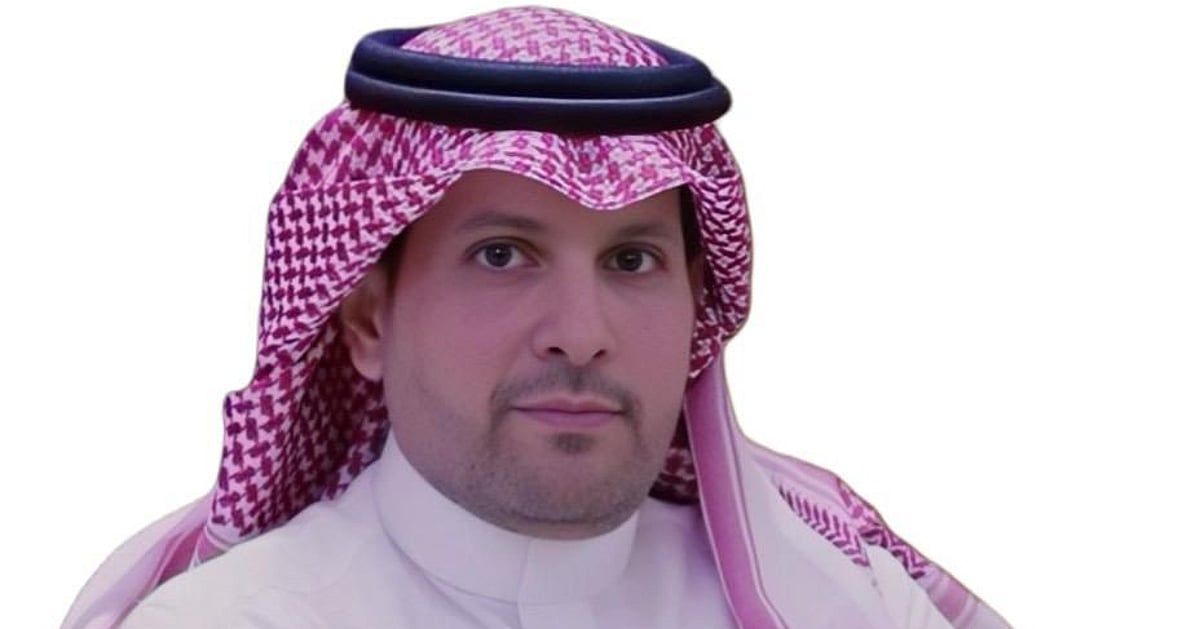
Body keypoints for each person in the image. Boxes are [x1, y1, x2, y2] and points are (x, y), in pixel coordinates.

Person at [63, 6, 1009, 629]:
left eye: (631, 259)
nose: (581, 331)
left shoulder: (844, 602)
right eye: (502, 255)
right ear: (368, 319)